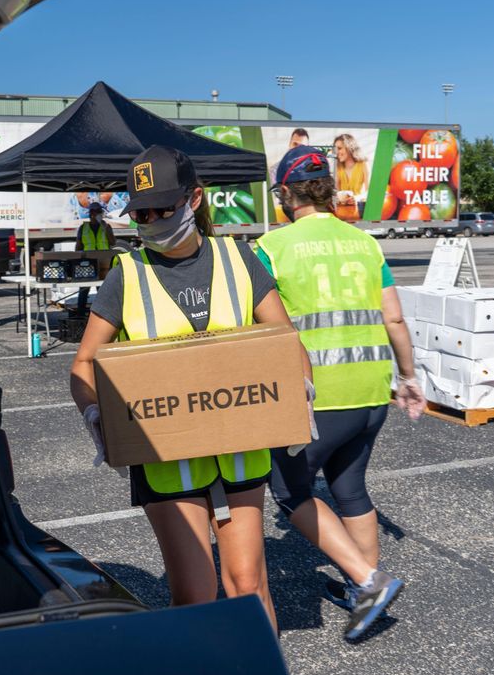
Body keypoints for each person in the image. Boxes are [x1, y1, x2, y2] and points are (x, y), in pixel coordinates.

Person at [70, 145, 314, 632]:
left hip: (242, 450)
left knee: (248, 583)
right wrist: (99, 416)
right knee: (194, 591)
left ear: (195, 199)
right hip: (166, 460)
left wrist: (298, 389)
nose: (153, 219)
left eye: (163, 208)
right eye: (141, 211)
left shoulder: (239, 258)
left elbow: (285, 341)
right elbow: (84, 364)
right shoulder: (128, 274)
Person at [256, 145, 426, 640]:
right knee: (349, 487)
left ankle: (369, 580)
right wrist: (408, 377)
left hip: (317, 395)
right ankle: (362, 595)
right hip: (372, 389)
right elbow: (393, 316)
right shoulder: (366, 244)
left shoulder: (272, 247)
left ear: (286, 193)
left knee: (289, 491)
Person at [73, 202, 115, 313]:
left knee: (102, 290)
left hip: (103, 263)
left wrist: (107, 229)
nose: (100, 214)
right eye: (98, 212)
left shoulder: (106, 226)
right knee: (83, 289)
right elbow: (78, 245)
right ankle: (81, 313)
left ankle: (104, 313)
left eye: (101, 212)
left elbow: (112, 242)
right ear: (92, 213)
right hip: (87, 262)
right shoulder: (83, 228)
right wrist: (77, 260)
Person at [332, 133, 367, 220]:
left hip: (358, 211)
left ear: (349, 147)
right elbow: (337, 191)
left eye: (339, 148)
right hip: (342, 213)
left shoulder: (363, 164)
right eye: (336, 149)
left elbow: (369, 191)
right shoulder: (338, 168)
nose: (337, 152)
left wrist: (356, 198)